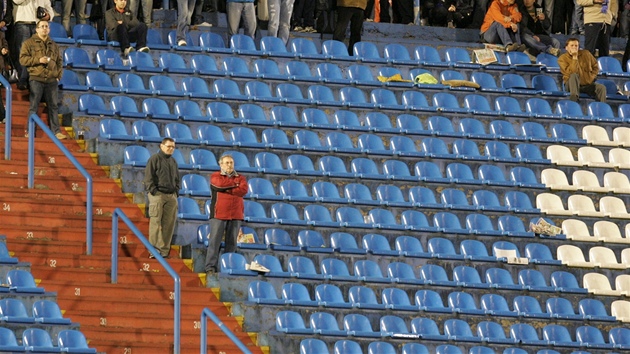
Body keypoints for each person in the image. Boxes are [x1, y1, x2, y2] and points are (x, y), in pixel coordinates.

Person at [19, 20, 65, 139]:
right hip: (36, 78)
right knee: (34, 106)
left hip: (51, 80)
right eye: (42, 26)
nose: (44, 28)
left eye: (46, 26)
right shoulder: (28, 43)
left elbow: (60, 62)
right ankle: (30, 131)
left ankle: (56, 131)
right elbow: (23, 59)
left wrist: (58, 75)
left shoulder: (54, 45)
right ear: (37, 29)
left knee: (53, 106)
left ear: (49, 29)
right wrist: (38, 60)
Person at [204, 154, 247, 276]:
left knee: (232, 243)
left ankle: (228, 266)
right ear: (221, 164)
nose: (229, 165)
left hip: (236, 214)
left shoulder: (241, 178)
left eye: (231, 162)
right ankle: (210, 267)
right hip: (219, 213)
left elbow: (243, 190)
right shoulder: (215, 176)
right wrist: (235, 184)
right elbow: (218, 184)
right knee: (214, 241)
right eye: (227, 162)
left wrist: (227, 187)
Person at [144, 138, 180, 259]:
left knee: (169, 224)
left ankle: (164, 251)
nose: (171, 149)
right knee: (155, 223)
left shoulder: (173, 161)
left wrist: (176, 192)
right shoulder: (154, 159)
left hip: (171, 196)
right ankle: (153, 250)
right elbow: (148, 177)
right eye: (169, 146)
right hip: (157, 195)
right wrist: (154, 191)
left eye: (173, 147)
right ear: (161, 146)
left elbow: (177, 178)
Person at [12, 0, 54, 91]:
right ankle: (22, 79)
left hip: (37, 24)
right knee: (23, 51)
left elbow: (48, 6)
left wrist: (49, 16)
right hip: (22, 21)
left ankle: (34, 81)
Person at [558, 37, 606, 102]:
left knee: (601, 88)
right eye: (572, 45)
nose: (574, 47)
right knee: (573, 75)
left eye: (576, 45)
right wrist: (574, 57)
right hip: (571, 85)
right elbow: (572, 72)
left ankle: (601, 109)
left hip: (586, 84)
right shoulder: (562, 59)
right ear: (566, 48)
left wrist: (591, 77)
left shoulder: (586, 54)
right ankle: (574, 103)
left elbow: (595, 66)